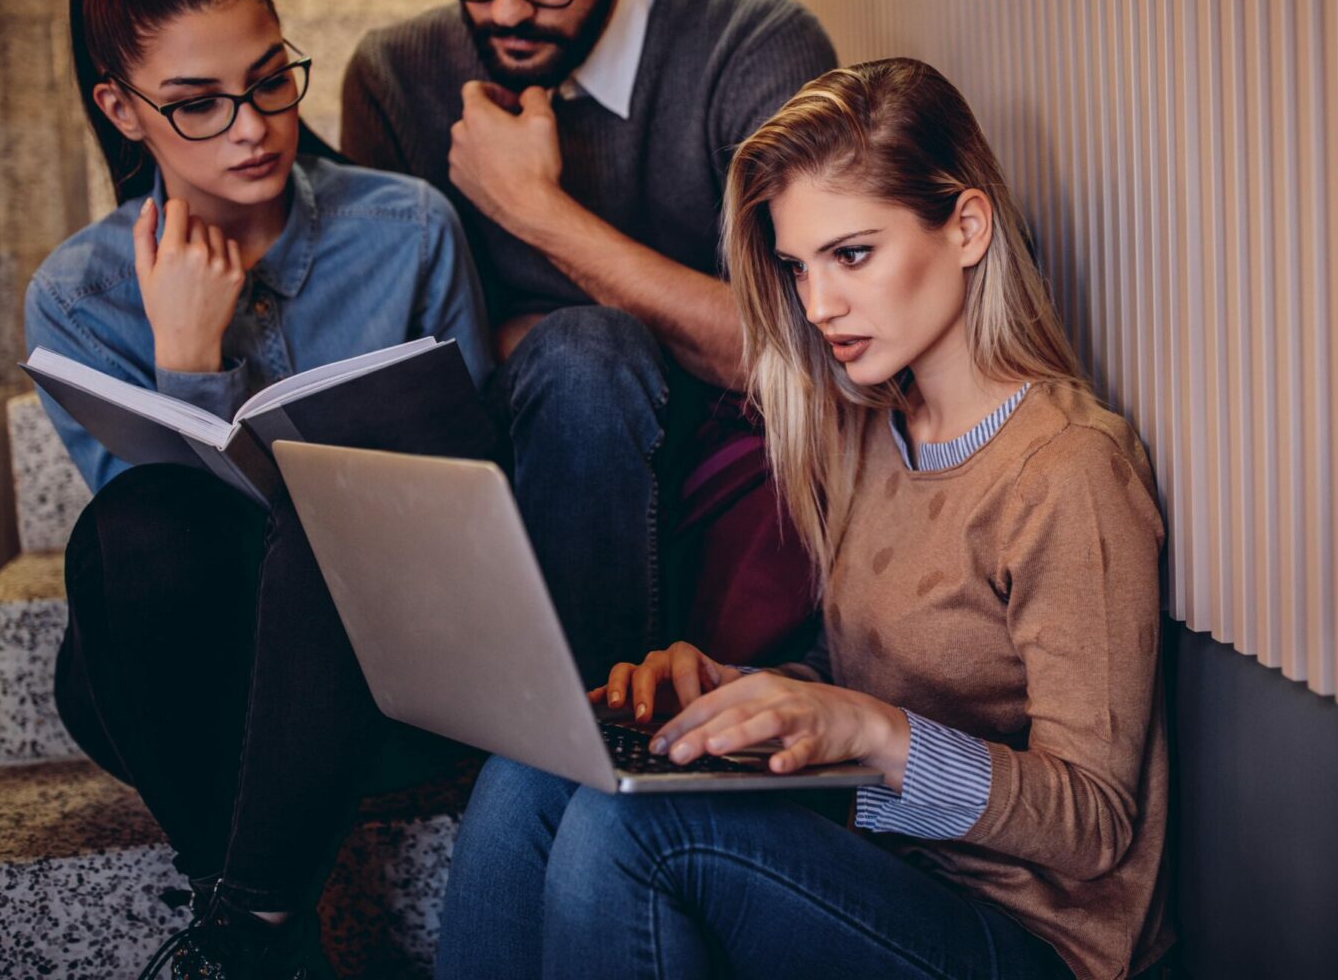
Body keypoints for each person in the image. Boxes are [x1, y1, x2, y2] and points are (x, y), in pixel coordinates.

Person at [434, 58, 1172, 980]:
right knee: (534, 770)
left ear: (968, 226)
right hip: (880, 870)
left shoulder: (1068, 471)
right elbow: (866, 668)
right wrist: (738, 690)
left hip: (1030, 938)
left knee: (638, 830)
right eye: (798, 266)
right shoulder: (871, 431)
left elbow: (1097, 823)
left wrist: (872, 733)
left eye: (852, 254)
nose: (818, 306)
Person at [25, 0, 494, 979]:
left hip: (387, 671)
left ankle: (250, 930)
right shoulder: (78, 292)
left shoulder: (407, 227)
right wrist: (187, 357)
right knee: (137, 521)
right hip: (198, 696)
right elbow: (163, 584)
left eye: (271, 79)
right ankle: (259, 909)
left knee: (339, 511)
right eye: (196, 102)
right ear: (122, 107)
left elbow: (477, 495)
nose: (251, 126)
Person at [341, 0, 837, 679]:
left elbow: (801, 352)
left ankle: (602, 728)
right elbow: (400, 371)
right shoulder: (394, 77)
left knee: (582, 344)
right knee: (582, 350)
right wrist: (640, 323)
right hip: (506, 479)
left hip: (728, 480)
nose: (504, 10)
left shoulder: (756, 50)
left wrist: (536, 214)